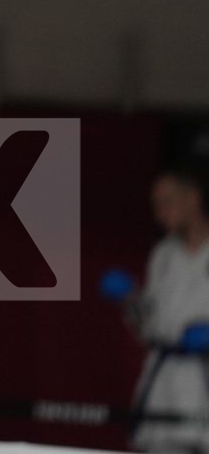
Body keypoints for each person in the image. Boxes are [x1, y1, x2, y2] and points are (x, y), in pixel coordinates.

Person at [130, 164, 209, 453]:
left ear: (192, 198)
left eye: (167, 202)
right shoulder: (163, 255)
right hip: (165, 381)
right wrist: (130, 302)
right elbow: (149, 327)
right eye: (156, 205)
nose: (160, 213)